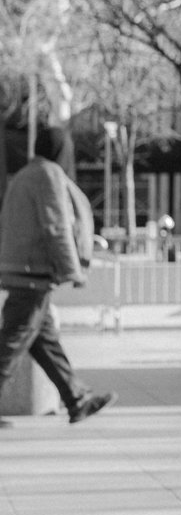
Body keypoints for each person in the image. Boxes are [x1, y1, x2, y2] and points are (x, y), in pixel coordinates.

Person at [0, 126, 115, 426]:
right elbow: (56, 226)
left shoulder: (25, 174)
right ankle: (77, 399)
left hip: (22, 270)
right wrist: (72, 269)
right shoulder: (48, 175)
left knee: (45, 342)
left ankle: (77, 399)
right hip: (32, 275)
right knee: (10, 345)